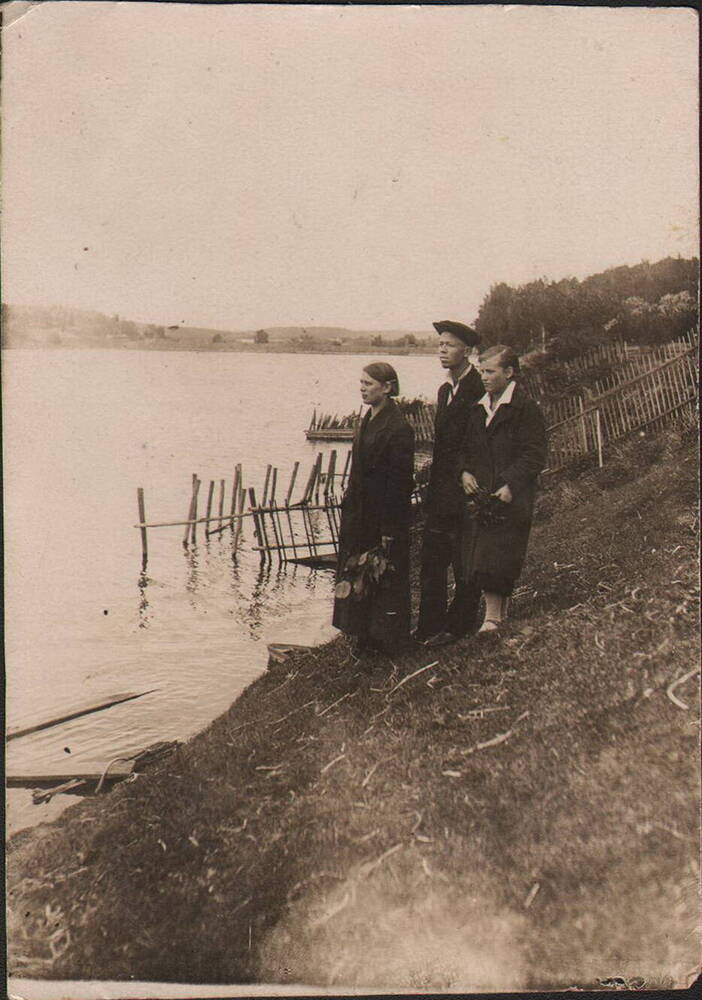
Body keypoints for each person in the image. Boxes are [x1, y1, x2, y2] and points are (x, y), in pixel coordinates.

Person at [458, 344, 547, 634]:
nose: (484, 377)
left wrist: (511, 484)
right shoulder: (480, 407)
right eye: (482, 370)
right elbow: (467, 447)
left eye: (490, 371)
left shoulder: (524, 408)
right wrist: (465, 471)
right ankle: (498, 615)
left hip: (511, 494)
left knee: (498, 552)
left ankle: (493, 618)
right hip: (483, 493)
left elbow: (534, 454)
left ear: (509, 372)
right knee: (486, 551)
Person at [332, 362, 415, 656]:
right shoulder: (367, 419)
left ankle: (386, 642)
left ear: (388, 387)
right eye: (361, 382)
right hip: (359, 514)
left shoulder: (398, 427)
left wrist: (390, 528)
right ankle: (360, 635)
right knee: (356, 571)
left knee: (381, 574)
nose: (362, 388)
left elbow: (400, 484)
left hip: (381, 516)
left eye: (369, 383)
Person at [414, 320, 484, 647]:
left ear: (467, 351)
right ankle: (429, 626)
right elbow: (444, 441)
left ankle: (459, 627)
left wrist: (466, 469)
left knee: (463, 557)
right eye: (440, 344)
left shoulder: (478, 388)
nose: (442, 350)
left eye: (450, 345)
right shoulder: (445, 390)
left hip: (467, 484)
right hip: (441, 487)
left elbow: (480, 439)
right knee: (433, 556)